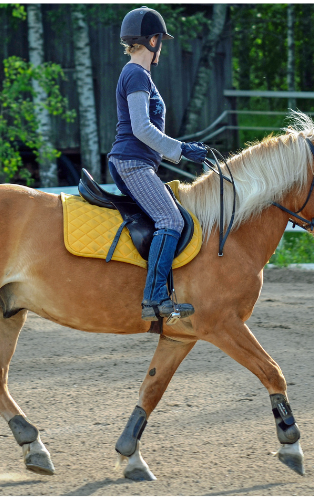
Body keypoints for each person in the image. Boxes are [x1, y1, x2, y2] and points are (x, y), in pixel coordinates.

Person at [108, 6, 208, 322]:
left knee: (171, 216)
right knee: (171, 220)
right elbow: (141, 128)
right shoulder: (137, 73)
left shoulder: (137, 74)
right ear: (152, 41)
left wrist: (180, 151)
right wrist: (181, 150)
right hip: (132, 163)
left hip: (138, 162)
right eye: (160, 40)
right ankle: (154, 298)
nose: (160, 46)